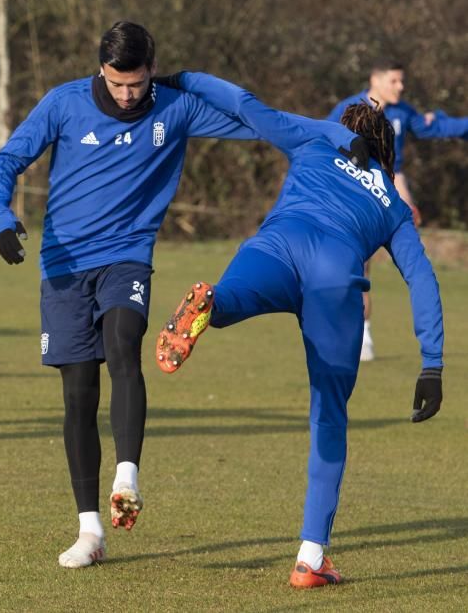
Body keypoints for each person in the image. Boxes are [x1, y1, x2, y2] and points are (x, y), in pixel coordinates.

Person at [0, 20, 281, 569]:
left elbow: (258, 121)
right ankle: (89, 531)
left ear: (152, 71)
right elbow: (5, 162)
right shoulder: (63, 104)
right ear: (101, 70)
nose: (127, 95)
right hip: (65, 265)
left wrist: (334, 134)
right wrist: (2, 218)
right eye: (117, 84)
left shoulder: (176, 106)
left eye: (137, 84)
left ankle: (127, 475)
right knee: (78, 394)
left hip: (128, 256)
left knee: (124, 342)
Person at [155, 71, 444, 588]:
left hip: (277, 246)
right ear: (386, 149)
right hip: (335, 278)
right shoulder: (392, 204)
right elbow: (421, 276)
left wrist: (181, 78)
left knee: (231, 297)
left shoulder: (314, 138)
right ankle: (311, 559)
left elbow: (245, 103)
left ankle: (211, 307)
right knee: (328, 416)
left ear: (342, 127)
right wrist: (432, 363)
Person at [327, 58, 468, 361]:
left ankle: (364, 337)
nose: (401, 87)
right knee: (354, 266)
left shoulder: (402, 112)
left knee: (411, 267)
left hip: (390, 199)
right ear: (374, 80)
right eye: (394, 81)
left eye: (402, 81)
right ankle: (354, 333)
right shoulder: (348, 109)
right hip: (352, 198)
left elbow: (435, 128)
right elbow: (322, 141)